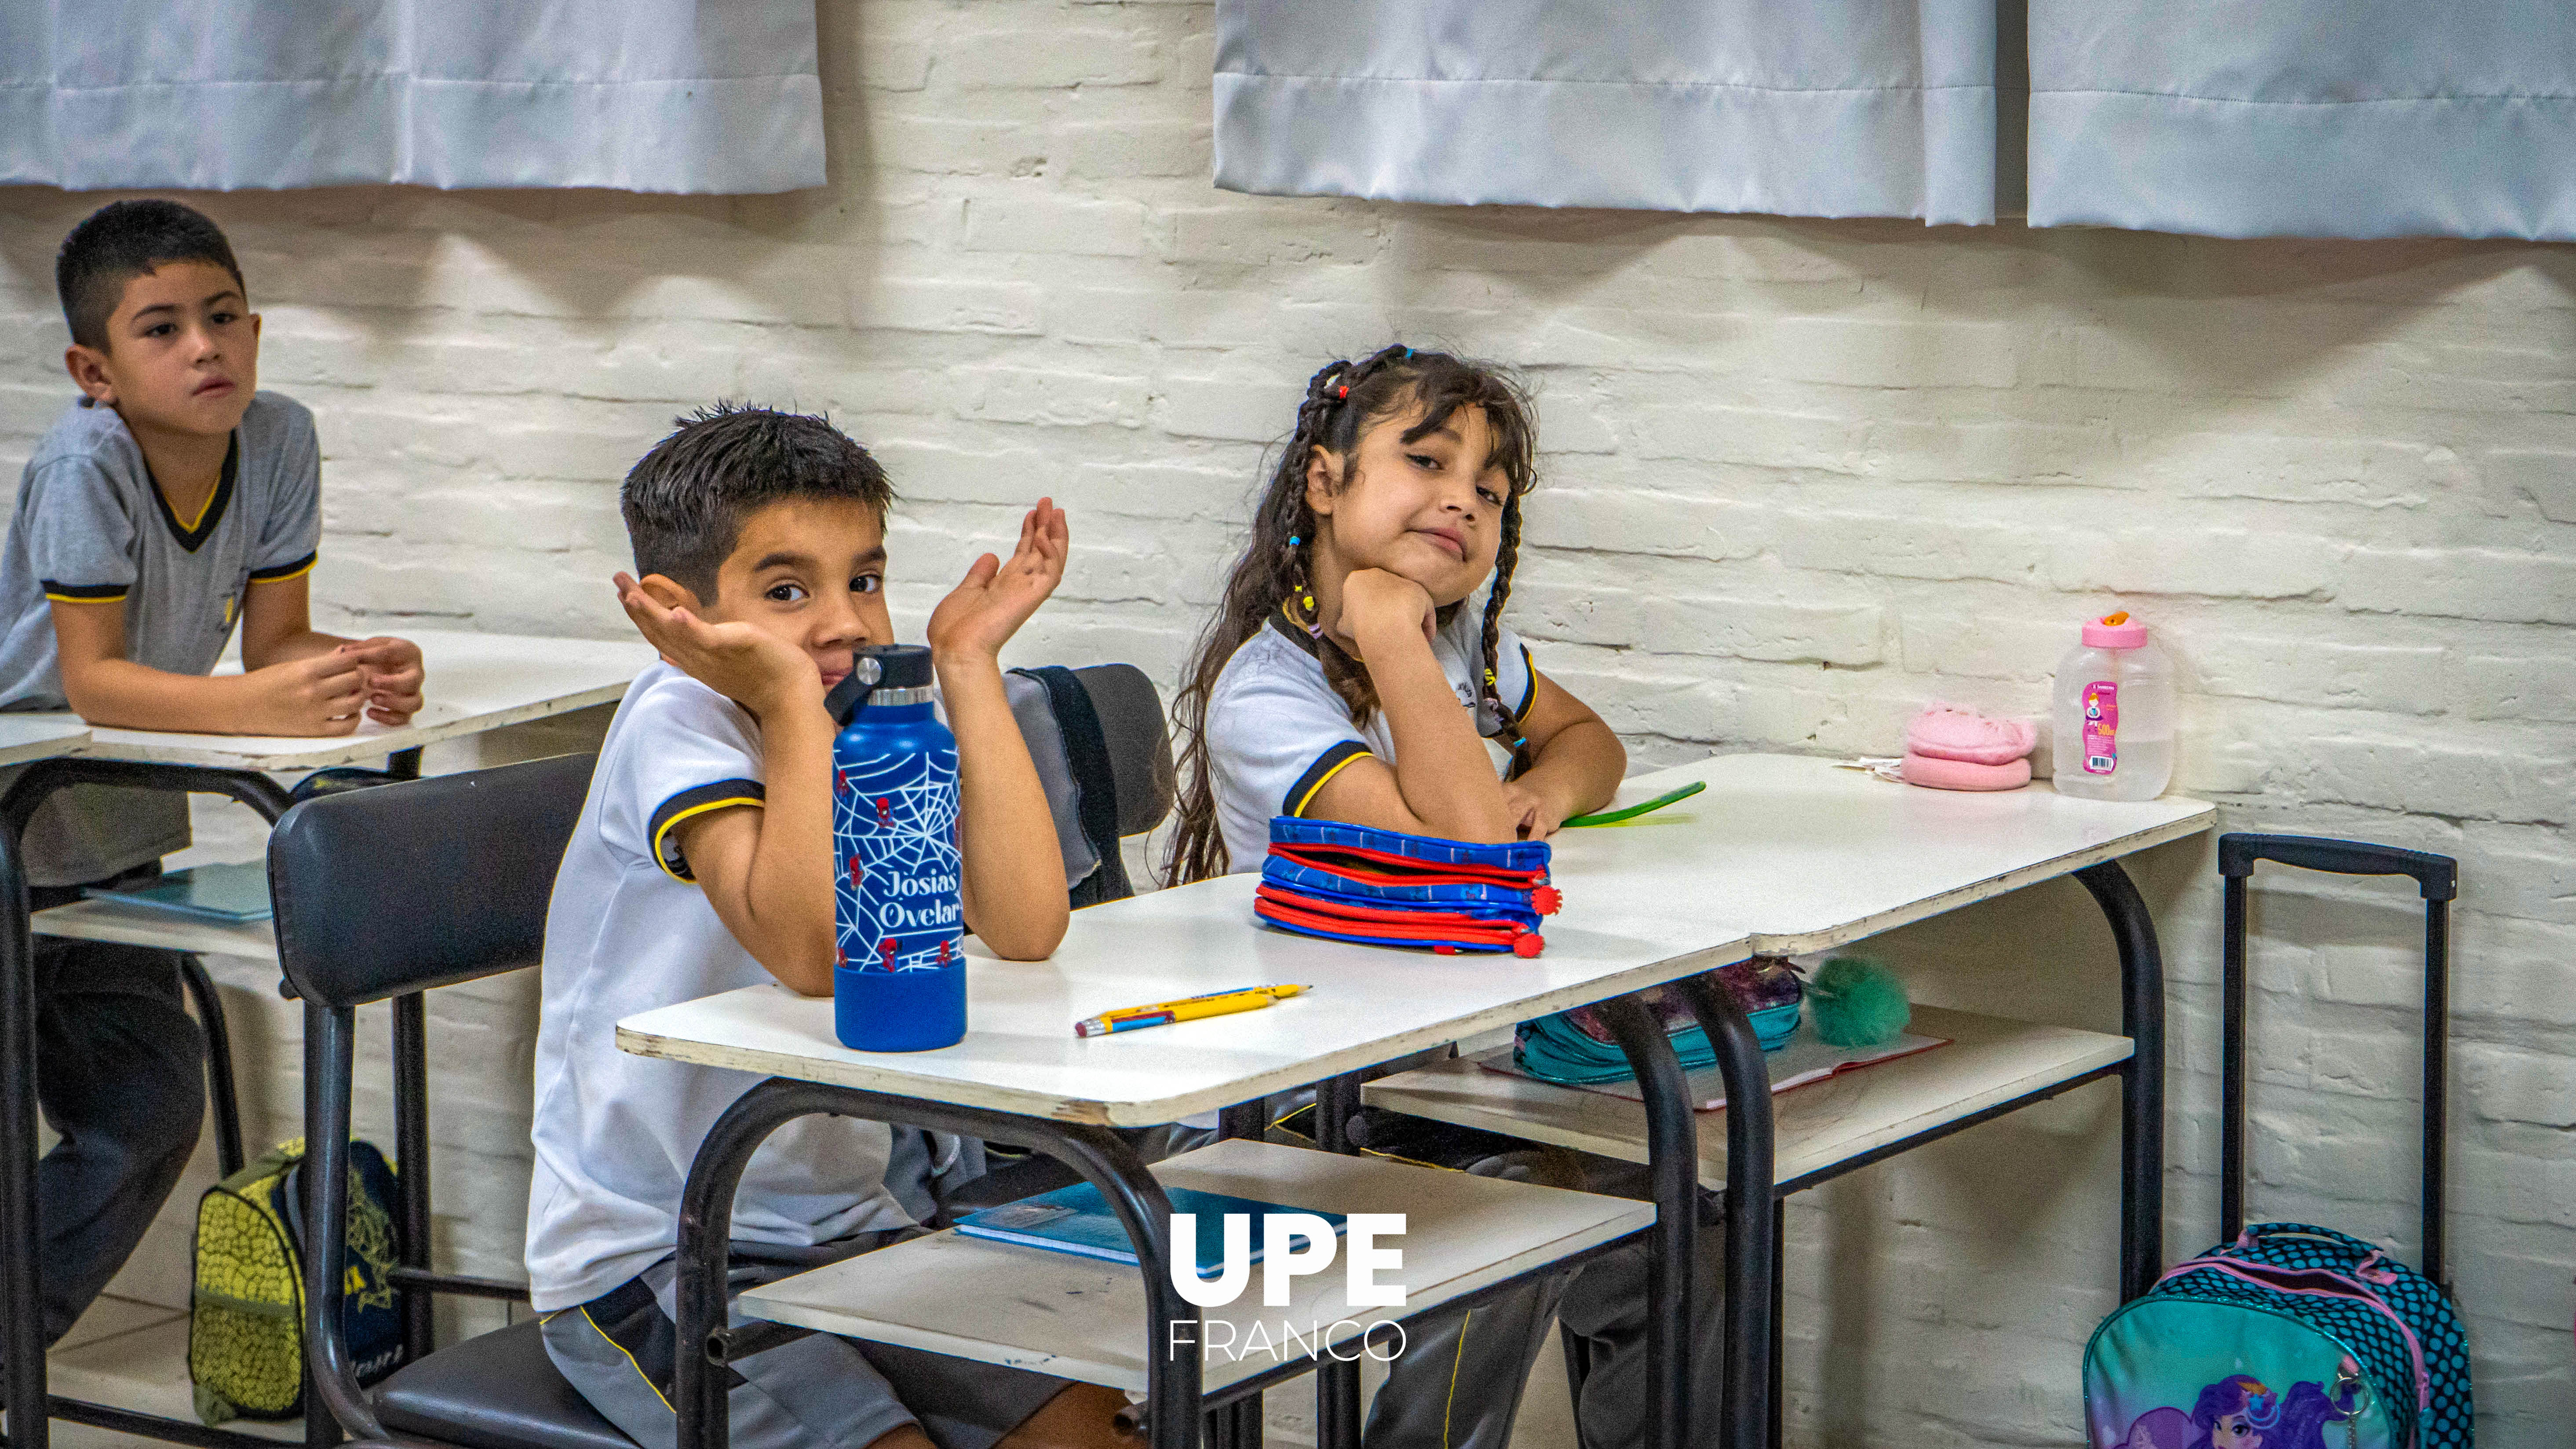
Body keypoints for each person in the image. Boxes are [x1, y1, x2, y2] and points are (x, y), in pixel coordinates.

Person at [526, 403, 1129, 1449]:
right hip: (660, 1258)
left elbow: (1026, 925)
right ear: (677, 611)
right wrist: (791, 712)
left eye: (864, 578)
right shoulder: (682, 718)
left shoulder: (869, 713)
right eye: (788, 590)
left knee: (1092, 1428)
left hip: (856, 1232)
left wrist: (967, 663)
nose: (845, 619)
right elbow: (806, 954)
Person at [1164, 345, 1718, 1449]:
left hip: (1416, 1076)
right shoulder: (1265, 693)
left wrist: (1540, 793)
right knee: (1506, 1222)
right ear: (1323, 483)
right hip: (1282, 1104)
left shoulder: (1459, 641)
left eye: (1491, 491)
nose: (1462, 498)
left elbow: (1584, 741)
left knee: (1679, 1214)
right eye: (1426, 461)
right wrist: (1382, 631)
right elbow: (1466, 864)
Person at [0, 198, 423, 1344]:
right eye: (163, 328)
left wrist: (358, 666)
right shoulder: (87, 458)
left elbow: (276, 642)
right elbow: (91, 680)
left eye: (225, 317)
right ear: (95, 367)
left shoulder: (278, 437)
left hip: (112, 830)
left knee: (146, 1107)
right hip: (17, 804)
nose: (205, 347)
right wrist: (253, 707)